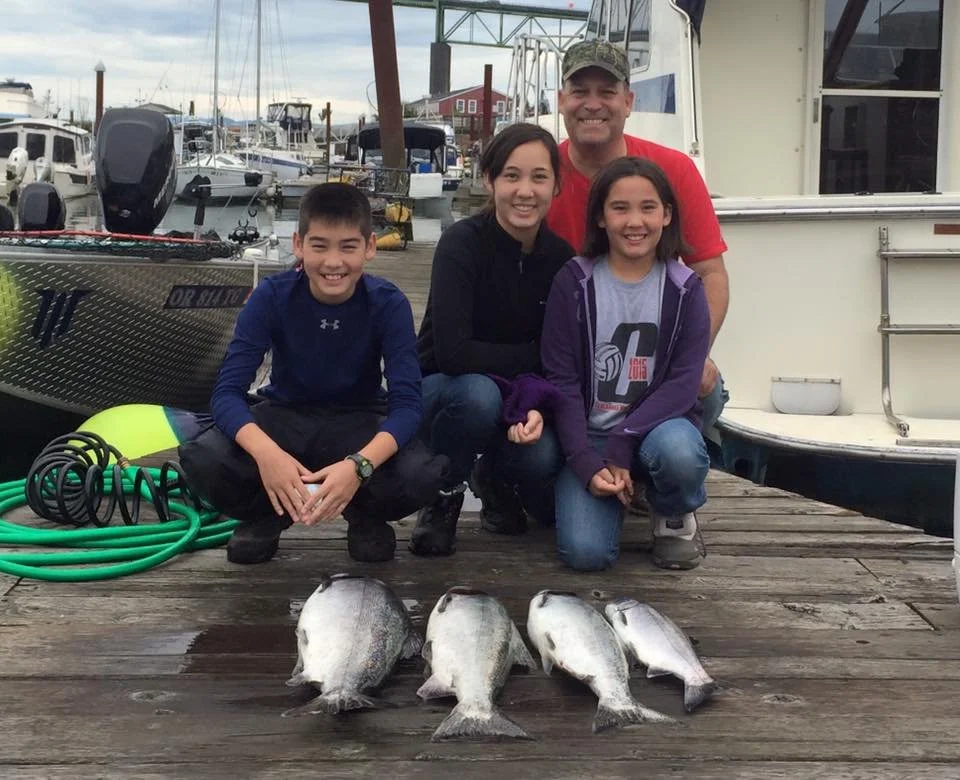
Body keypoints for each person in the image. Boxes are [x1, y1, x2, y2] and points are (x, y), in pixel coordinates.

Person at [178, 183, 448, 565]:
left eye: (348, 247)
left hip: (359, 418)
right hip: (285, 415)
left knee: (421, 471)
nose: (333, 262)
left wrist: (360, 466)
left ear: (370, 247)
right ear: (298, 245)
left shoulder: (388, 304)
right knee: (203, 457)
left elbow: (407, 406)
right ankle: (269, 513)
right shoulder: (271, 296)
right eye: (319, 246)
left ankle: (363, 513)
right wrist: (268, 455)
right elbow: (226, 394)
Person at [545, 39, 730, 443]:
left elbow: (710, 272)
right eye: (580, 91)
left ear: (628, 102)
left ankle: (660, 467)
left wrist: (694, 355)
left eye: (607, 92)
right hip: (566, 357)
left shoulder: (675, 169)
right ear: (561, 101)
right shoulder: (541, 176)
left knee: (707, 390)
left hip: (653, 356)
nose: (593, 104)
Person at [410, 122, 576, 557]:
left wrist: (535, 402)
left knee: (542, 456)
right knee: (478, 396)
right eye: (511, 176)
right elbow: (453, 353)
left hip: (518, 395)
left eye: (539, 177)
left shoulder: (561, 258)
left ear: (556, 185)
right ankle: (443, 495)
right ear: (490, 180)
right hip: (442, 393)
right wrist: (532, 358)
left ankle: (493, 478)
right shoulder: (461, 244)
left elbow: (561, 356)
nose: (525, 191)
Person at [539, 155, 711, 572]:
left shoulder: (686, 289)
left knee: (679, 453)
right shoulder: (573, 282)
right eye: (620, 208)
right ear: (600, 217)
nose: (635, 221)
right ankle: (605, 489)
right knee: (586, 555)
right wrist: (585, 461)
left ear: (667, 215)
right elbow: (562, 381)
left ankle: (671, 512)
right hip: (591, 436)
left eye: (648, 208)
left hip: (654, 430)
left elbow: (684, 383)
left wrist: (625, 439)